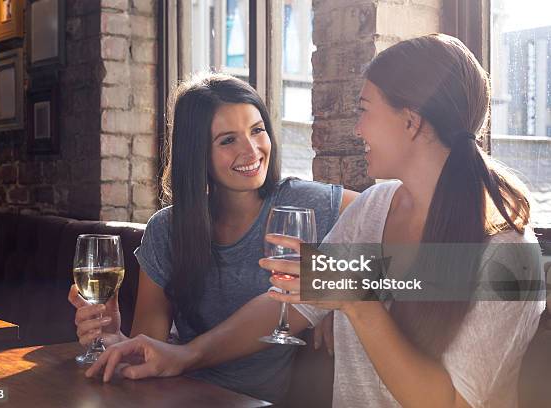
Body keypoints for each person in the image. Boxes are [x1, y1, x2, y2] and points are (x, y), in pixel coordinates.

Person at [83, 34, 546, 407]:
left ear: (412, 122)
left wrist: (359, 306)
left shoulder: (508, 256)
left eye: (364, 111)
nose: (356, 129)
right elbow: (295, 303)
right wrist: (185, 355)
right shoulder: (375, 209)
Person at [69, 73, 357, 403]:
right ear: (197, 154)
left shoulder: (305, 204)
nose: (251, 150)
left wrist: (337, 300)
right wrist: (114, 339)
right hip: (175, 397)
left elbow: (394, 237)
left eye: (257, 130)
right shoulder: (166, 229)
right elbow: (149, 349)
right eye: (227, 140)